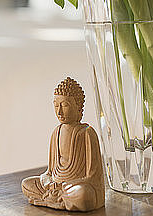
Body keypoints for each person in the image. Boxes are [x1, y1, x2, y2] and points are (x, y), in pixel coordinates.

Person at [22, 77, 104, 212]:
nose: (59, 111)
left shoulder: (87, 133)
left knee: (83, 194)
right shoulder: (56, 133)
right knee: (26, 184)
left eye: (65, 105)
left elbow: (93, 177)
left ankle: (53, 199)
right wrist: (48, 182)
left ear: (78, 106)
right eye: (56, 105)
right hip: (55, 185)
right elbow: (49, 172)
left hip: (74, 187)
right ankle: (57, 199)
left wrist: (65, 185)